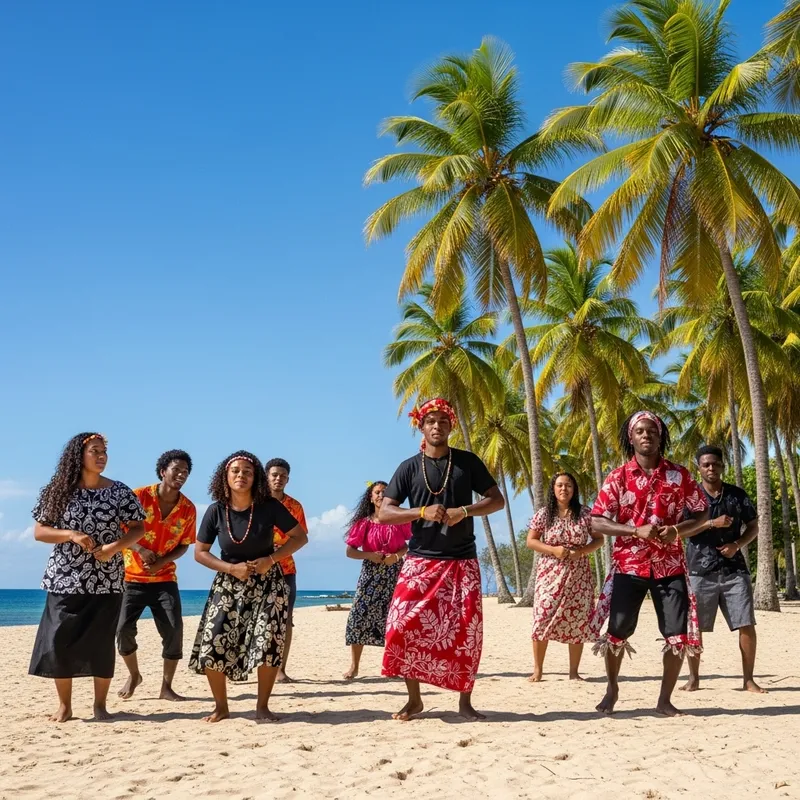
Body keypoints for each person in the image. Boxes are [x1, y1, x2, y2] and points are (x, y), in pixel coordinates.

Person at [379, 398, 505, 721]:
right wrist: (421, 511)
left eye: (443, 422)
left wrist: (463, 511)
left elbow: (496, 500)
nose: (437, 427)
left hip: (462, 560)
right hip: (420, 560)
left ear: (451, 427)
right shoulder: (409, 467)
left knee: (467, 633)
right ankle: (414, 699)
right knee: (398, 628)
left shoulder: (467, 462)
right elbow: (385, 512)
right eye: (431, 421)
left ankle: (464, 703)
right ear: (421, 427)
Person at [590, 411, 710, 717]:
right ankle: (613, 688)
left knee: (676, 634)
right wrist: (633, 530)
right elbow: (597, 521)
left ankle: (664, 699)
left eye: (652, 431)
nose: (646, 436)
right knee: (617, 630)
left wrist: (676, 531)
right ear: (631, 438)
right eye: (640, 431)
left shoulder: (679, 476)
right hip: (629, 564)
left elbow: (702, 513)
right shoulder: (618, 477)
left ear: (660, 436)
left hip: (670, 565)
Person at [29, 432, 146, 722]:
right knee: (59, 640)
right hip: (64, 577)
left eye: (104, 451)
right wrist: (71, 534)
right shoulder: (58, 491)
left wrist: (113, 548)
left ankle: (100, 706)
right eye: (95, 451)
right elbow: (40, 531)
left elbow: (138, 528)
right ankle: (65, 706)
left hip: (107, 579)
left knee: (101, 641)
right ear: (78, 456)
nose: (101, 456)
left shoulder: (119, 491)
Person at [189, 451, 308, 723]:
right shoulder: (216, 510)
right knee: (213, 641)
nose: (241, 476)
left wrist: (271, 559)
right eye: (236, 471)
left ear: (256, 479)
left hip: (268, 581)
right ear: (225, 476)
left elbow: (299, 537)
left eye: (247, 472)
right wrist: (231, 568)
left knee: (267, 642)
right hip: (228, 581)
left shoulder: (269, 506)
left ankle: (262, 707)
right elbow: (200, 552)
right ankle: (221, 706)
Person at [681, 445, 764, 693]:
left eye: (715, 464)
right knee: (694, 627)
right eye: (706, 464)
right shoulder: (690, 496)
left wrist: (737, 544)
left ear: (722, 466)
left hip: (734, 570)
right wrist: (710, 524)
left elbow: (753, 525)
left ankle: (748, 679)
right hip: (699, 570)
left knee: (746, 623)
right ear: (699, 467)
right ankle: (694, 678)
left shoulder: (737, 495)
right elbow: (681, 530)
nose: (711, 468)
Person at [116, 449, 197, 701]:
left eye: (185, 472)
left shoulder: (187, 508)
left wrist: (162, 560)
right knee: (123, 631)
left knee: (174, 631)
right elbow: (117, 532)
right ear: (163, 471)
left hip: (165, 580)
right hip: (131, 577)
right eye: (176, 469)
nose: (181, 475)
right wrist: (140, 548)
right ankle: (134, 674)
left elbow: (185, 544)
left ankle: (166, 687)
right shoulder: (138, 497)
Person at [526, 472, 604, 682]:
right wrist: (553, 550)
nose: (564, 489)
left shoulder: (586, 513)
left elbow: (599, 540)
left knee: (577, 620)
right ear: (553, 489)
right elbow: (531, 541)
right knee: (542, 617)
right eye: (559, 485)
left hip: (578, 573)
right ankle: (538, 670)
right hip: (549, 572)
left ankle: (574, 672)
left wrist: (581, 552)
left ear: (574, 489)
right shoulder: (544, 514)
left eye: (568, 485)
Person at [343, 481, 411, 680]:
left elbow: (409, 545)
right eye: (377, 492)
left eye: (385, 492)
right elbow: (350, 551)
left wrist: (395, 557)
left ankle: (393, 666)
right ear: (371, 498)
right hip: (370, 574)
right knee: (358, 617)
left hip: (395, 572)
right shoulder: (363, 524)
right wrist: (370, 555)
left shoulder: (400, 520)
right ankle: (354, 667)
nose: (381, 495)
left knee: (395, 620)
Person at [265, 457, 308, 684]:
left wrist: (276, 552)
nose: (278, 479)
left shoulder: (295, 506)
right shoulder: (255, 502)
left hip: (285, 569)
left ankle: (281, 670)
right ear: (266, 477)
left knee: (285, 620)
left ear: (288, 479)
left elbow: (300, 538)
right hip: (255, 569)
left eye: (282, 476)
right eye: (274, 475)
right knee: (247, 617)